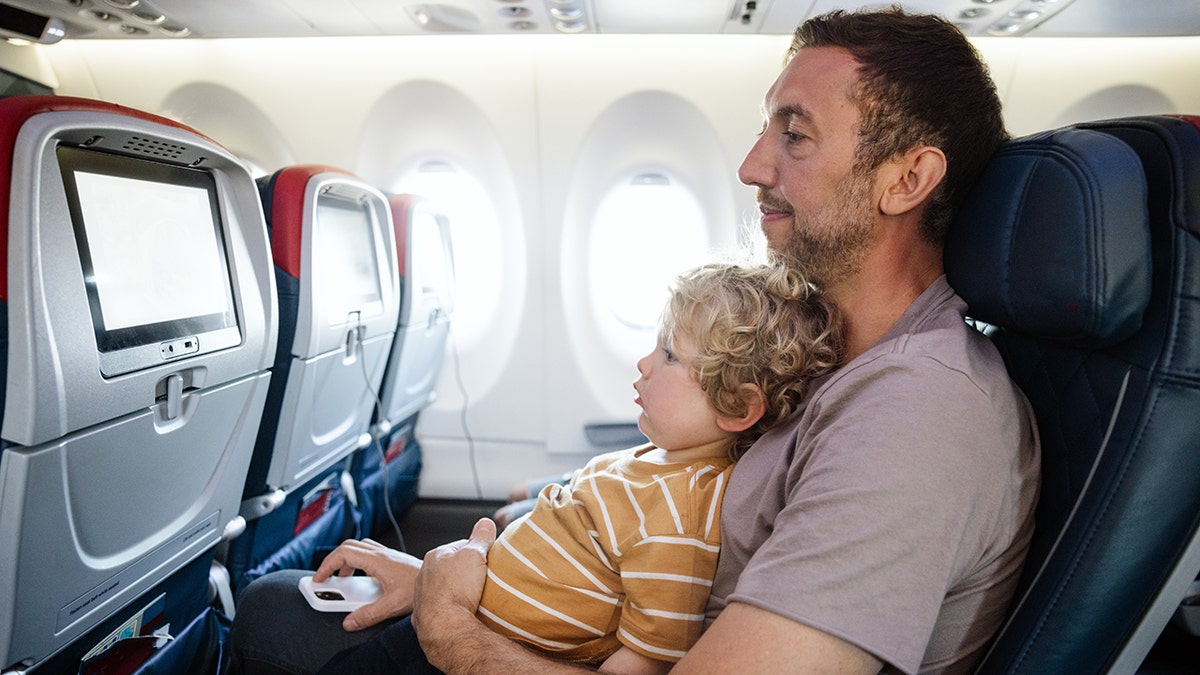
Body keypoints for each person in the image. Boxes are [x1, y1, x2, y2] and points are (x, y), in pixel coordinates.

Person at [233, 7, 1041, 674]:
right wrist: (484, 585)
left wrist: (455, 626)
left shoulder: (917, 418)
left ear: (907, 178)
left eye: (794, 136)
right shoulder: (835, 352)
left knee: (273, 621)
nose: (753, 165)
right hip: (570, 632)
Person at [230, 262, 843, 674]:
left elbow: (639, 663)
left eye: (670, 355)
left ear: (738, 407)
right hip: (469, 607)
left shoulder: (679, 526)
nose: (645, 364)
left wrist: (451, 613)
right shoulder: (654, 462)